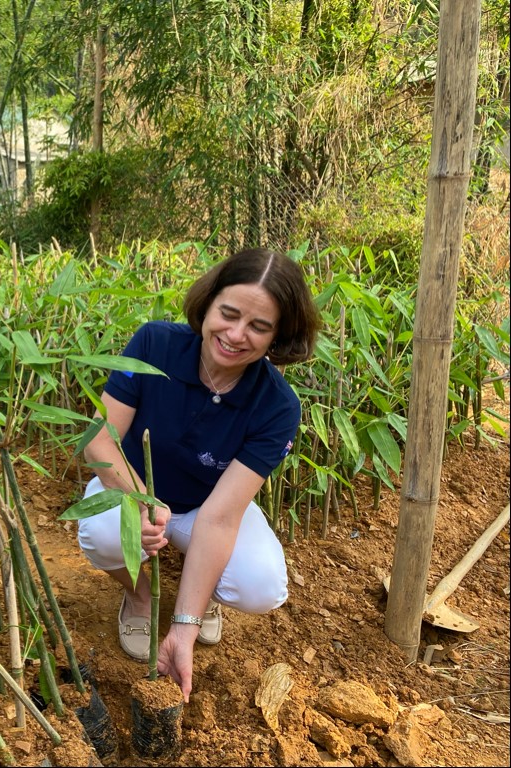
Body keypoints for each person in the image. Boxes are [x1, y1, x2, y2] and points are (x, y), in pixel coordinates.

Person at [75, 247, 320, 702]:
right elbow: (99, 440)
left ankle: (195, 601)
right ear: (208, 303)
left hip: (208, 509)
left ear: (278, 338)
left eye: (258, 327)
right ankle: (141, 597)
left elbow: (221, 518)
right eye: (228, 314)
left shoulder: (278, 406)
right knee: (104, 534)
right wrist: (139, 500)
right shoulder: (154, 345)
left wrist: (182, 632)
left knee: (260, 585)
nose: (236, 334)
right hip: (134, 492)